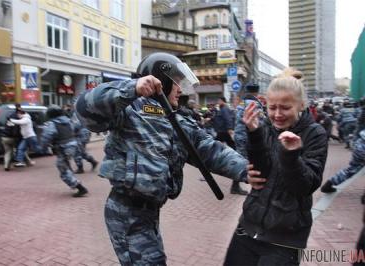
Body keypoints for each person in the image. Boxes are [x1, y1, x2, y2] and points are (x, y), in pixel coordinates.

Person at [75, 52, 248, 265]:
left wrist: (252, 172)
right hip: (126, 211)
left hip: (150, 211)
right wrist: (132, 88)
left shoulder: (179, 119)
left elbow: (213, 152)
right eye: (176, 82)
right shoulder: (129, 109)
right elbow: (84, 108)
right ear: (161, 80)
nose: (179, 89)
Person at [223, 68, 328, 265]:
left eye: (285, 108)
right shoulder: (266, 127)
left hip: (286, 238)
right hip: (248, 227)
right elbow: (260, 174)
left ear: (301, 105)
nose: (277, 114)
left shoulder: (315, 134)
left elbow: (304, 186)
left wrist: (290, 155)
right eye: (272, 107)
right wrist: (254, 133)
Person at [40, 105, 89, 197]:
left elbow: (47, 136)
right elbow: (76, 128)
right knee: (66, 164)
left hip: (63, 147)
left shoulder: (52, 123)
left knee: (62, 169)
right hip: (73, 145)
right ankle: (73, 179)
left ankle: (79, 187)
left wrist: (43, 148)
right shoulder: (68, 120)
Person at [320, 129, 365, 193]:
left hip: (360, 145)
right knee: (351, 170)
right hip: (362, 148)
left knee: (350, 170)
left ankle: (329, 184)